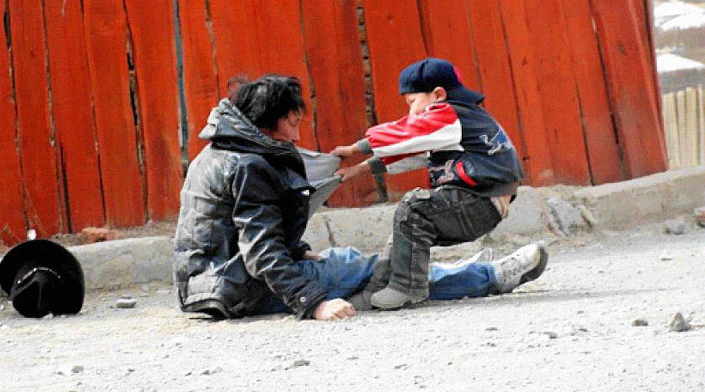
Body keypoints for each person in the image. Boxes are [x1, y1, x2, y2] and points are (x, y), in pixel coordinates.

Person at [173, 74, 545, 321]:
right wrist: (314, 303)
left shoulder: (217, 152)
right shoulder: (248, 165)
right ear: (267, 121)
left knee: (358, 266)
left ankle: (460, 272)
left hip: (210, 282)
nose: (297, 136)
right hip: (238, 287)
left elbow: (234, 228)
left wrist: (298, 252)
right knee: (381, 273)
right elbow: (260, 252)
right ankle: (489, 276)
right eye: (293, 123)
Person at [332, 57, 546, 310]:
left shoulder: (449, 114)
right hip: (484, 203)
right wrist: (359, 169)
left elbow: (407, 133)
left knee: (413, 208)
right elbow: (415, 154)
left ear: (438, 94)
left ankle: (407, 288)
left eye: (412, 102)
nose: (411, 112)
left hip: (477, 201)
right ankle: (375, 291)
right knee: (403, 231)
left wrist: (356, 148)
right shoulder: (460, 123)